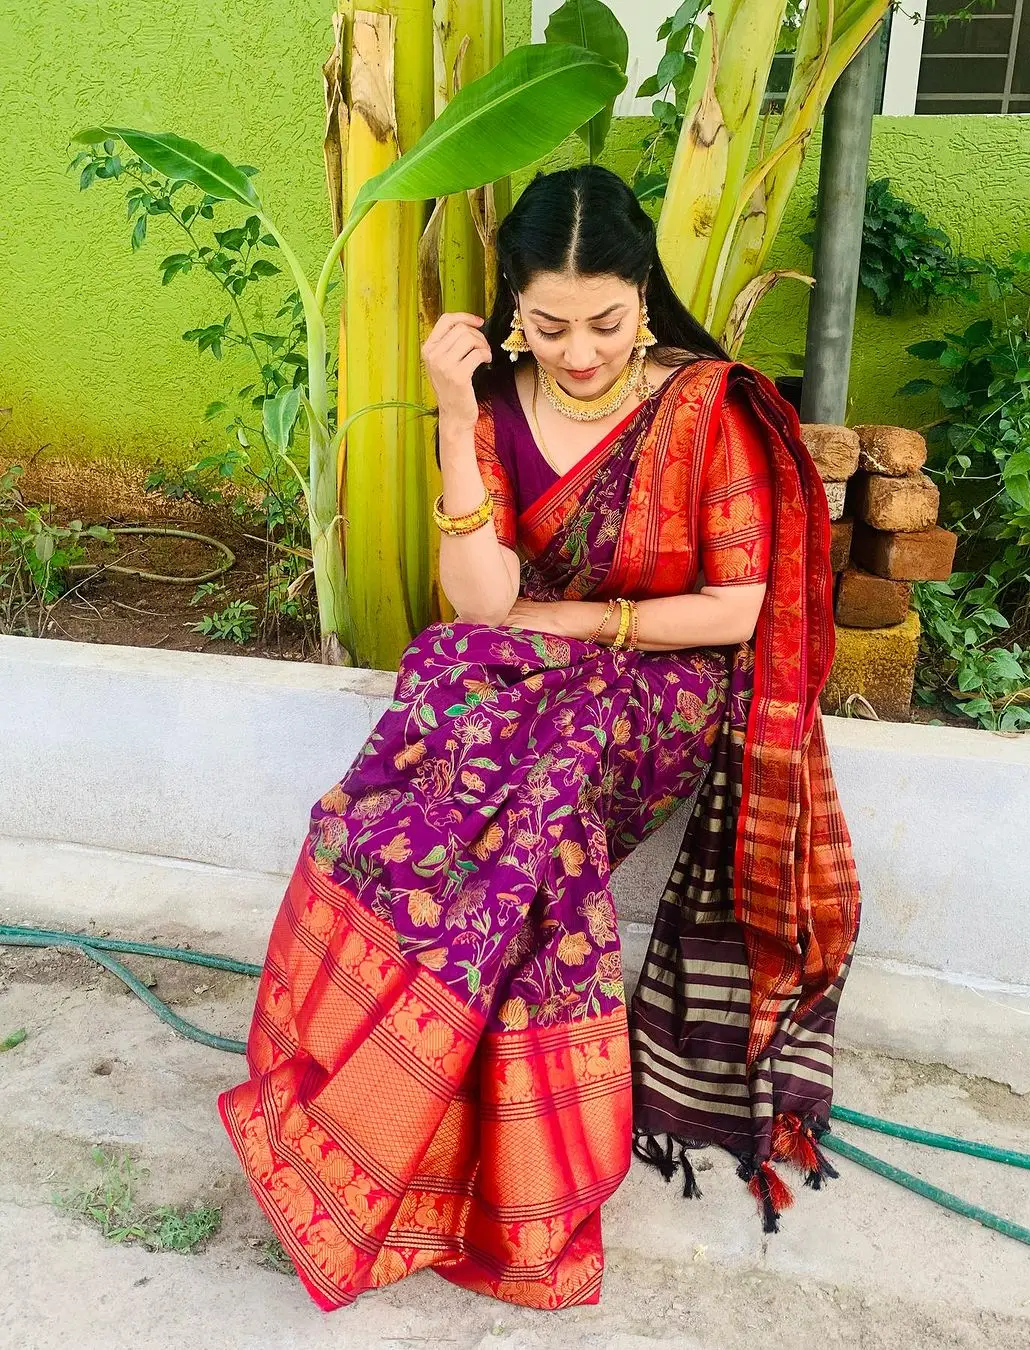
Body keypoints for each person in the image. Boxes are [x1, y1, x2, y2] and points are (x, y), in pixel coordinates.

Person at [219, 165, 859, 1312]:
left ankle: (431, 1118)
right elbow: (477, 601)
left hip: (660, 687)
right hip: (525, 681)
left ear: (645, 298)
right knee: (478, 736)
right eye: (549, 324)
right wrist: (459, 418)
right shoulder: (503, 405)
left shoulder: (705, 406)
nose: (578, 353)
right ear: (513, 305)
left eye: (607, 323)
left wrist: (576, 620)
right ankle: (425, 1115)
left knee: (541, 765)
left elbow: (736, 611)